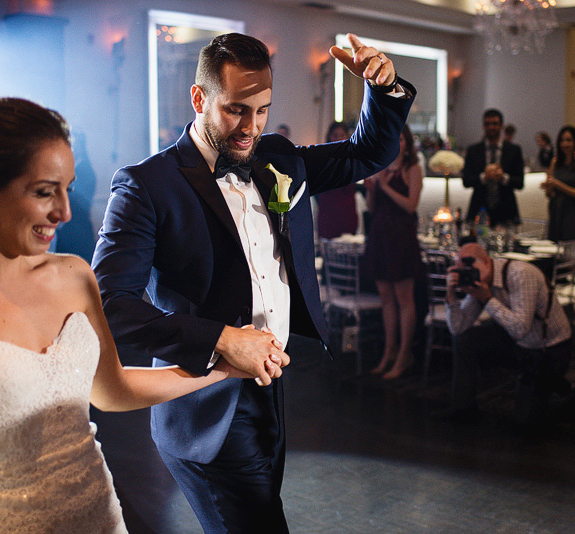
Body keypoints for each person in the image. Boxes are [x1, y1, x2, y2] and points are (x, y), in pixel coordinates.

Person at [0, 98, 256, 533]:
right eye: (44, 192)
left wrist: (218, 371)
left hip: (97, 514)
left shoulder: (74, 276)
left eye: (67, 187)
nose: (64, 213)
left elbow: (111, 390)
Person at [92, 32, 414, 534]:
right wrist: (222, 340)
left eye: (262, 110)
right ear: (200, 99)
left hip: (271, 387)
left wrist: (384, 88)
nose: (251, 127)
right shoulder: (146, 186)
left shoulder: (277, 158)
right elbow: (111, 305)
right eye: (237, 111)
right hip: (201, 405)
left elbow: (367, 153)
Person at [442, 242, 575, 426]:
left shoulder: (520, 274)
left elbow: (520, 328)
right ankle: (463, 408)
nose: (468, 273)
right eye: (462, 269)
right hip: (516, 343)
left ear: (486, 261)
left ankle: (569, 389)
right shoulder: (479, 279)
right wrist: (451, 294)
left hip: (548, 349)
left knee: (527, 422)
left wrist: (486, 298)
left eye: (470, 266)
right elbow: (457, 328)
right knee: (464, 340)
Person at [364, 124, 423, 379]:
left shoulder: (413, 169)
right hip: (380, 234)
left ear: (407, 142)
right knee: (386, 297)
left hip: (401, 236)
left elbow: (411, 206)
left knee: (404, 297)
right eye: (392, 138)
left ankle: (404, 354)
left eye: (400, 138)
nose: (397, 143)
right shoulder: (381, 168)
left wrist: (385, 186)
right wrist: (371, 190)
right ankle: (389, 350)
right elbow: (371, 206)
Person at [462, 109, 525, 227]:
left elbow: (520, 183)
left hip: (507, 211)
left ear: (501, 126)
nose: (491, 127)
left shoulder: (514, 150)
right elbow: (466, 181)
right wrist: (484, 176)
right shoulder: (473, 150)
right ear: (483, 126)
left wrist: (503, 177)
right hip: (479, 210)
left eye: (495, 124)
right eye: (487, 124)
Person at [540, 125, 575, 242]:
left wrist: (558, 184)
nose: (565, 144)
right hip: (556, 211)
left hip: (573, 214)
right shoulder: (555, 162)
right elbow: (549, 193)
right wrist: (548, 187)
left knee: (571, 250)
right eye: (562, 140)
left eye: (569, 140)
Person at [315, 121, 358, 238]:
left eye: (342, 135)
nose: (338, 138)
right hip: (328, 210)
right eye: (335, 135)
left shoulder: (353, 158)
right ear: (329, 136)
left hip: (346, 210)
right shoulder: (322, 157)